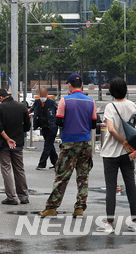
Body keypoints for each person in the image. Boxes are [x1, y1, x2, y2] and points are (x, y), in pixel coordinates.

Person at [40, 73, 97, 218]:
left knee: (62, 176)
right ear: (82, 85)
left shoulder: (64, 100)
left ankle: (52, 207)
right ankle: (79, 207)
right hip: (86, 142)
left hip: (69, 142)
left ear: (69, 85)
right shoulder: (91, 101)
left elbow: (58, 121)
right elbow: (94, 123)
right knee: (83, 176)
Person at [97, 77, 136, 233]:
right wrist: (133, 147)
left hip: (110, 153)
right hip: (128, 154)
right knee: (131, 186)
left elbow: (110, 129)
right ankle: (135, 220)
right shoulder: (133, 105)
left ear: (111, 91)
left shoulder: (110, 107)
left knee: (111, 187)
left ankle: (109, 222)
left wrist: (123, 142)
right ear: (126, 90)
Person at [0, 89, 31, 205]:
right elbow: (27, 125)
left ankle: (11, 197)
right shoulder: (22, 106)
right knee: (19, 169)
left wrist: (7, 138)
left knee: (6, 169)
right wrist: (17, 134)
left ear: (0, 97)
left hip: (4, 143)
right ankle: (24, 196)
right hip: (18, 142)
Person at [30, 88, 59, 170]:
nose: (42, 97)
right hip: (44, 126)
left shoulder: (51, 102)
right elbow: (31, 109)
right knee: (50, 145)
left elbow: (59, 110)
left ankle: (42, 163)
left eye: (44, 95)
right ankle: (56, 163)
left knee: (47, 145)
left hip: (52, 126)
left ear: (47, 94)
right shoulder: (37, 102)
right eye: (41, 95)